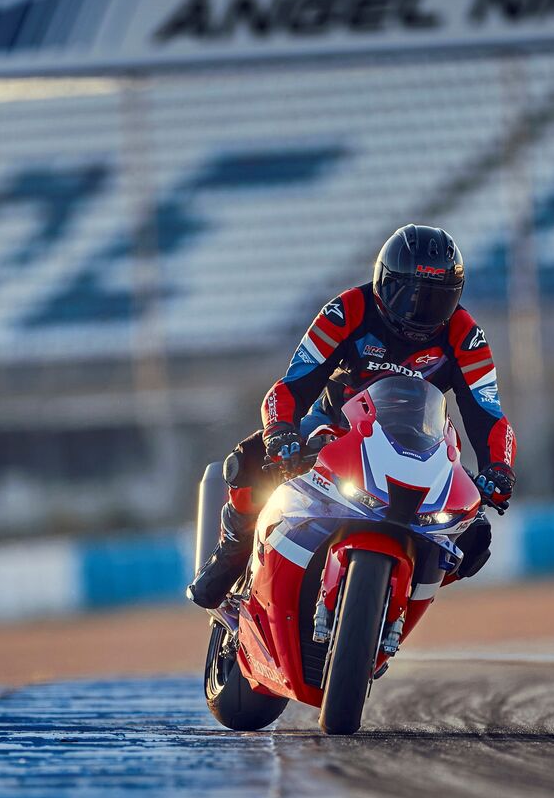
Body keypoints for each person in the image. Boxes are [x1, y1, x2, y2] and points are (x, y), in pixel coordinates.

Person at [187, 223, 517, 609]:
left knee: (475, 537)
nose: (418, 310)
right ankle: (232, 551)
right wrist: (280, 431)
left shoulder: (466, 336)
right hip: (337, 427)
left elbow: (487, 412)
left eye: (435, 299)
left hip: (421, 442)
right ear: (382, 282)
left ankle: (400, 595)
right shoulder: (347, 309)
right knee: (250, 461)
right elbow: (292, 385)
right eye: (408, 294)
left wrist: (499, 467)